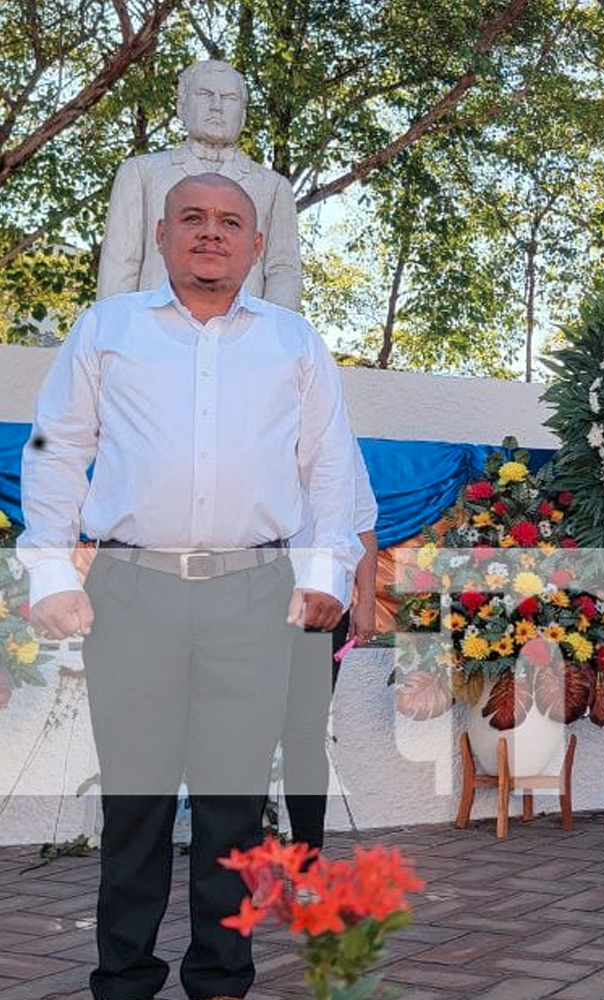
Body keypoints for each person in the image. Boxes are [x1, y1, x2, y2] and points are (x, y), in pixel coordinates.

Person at [19, 172, 360, 1000]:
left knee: (232, 811)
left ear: (254, 244)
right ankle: (125, 981)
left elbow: (330, 469)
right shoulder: (108, 328)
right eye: (194, 220)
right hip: (134, 595)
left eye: (231, 222)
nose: (212, 234)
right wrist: (52, 570)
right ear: (164, 235)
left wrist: (326, 573)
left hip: (255, 598)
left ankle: (220, 982)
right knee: (133, 809)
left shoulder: (294, 342)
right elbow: (56, 449)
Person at [98, 60, 302, 309]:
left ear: (244, 113)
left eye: (228, 98)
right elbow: (120, 263)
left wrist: (273, 337)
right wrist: (114, 333)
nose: (216, 107)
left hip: (242, 338)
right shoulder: (141, 173)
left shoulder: (274, 187)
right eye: (205, 95)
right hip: (153, 336)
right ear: (181, 106)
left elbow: (283, 269)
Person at [281, 457, 379, 854]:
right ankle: (240, 867)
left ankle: (306, 861)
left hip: (321, 608)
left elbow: (363, 528)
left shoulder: (339, 439)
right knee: (245, 735)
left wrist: (366, 601)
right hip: (252, 603)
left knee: (304, 735)